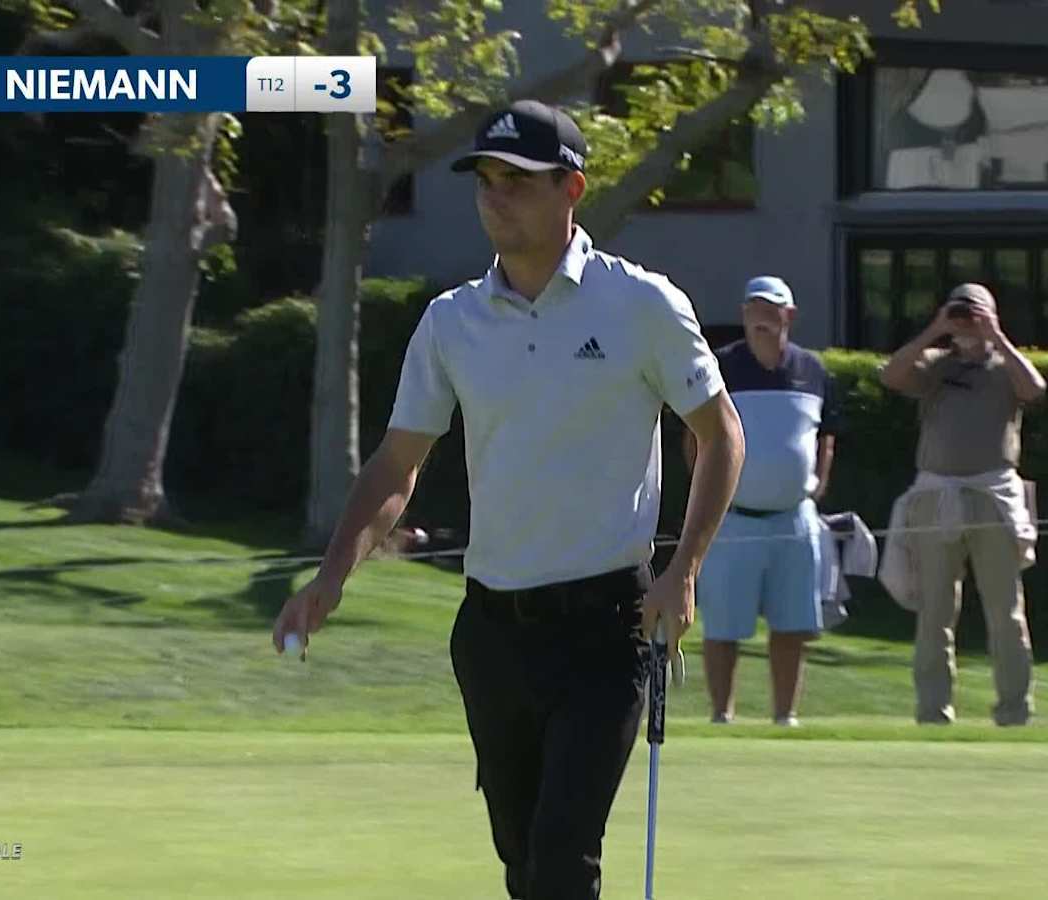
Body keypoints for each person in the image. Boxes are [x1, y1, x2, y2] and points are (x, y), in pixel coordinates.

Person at [271, 100, 745, 900]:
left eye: (518, 182)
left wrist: (684, 570)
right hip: (492, 634)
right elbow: (397, 464)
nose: (496, 197)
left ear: (572, 189)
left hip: (607, 628)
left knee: (563, 858)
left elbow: (721, 435)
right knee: (523, 862)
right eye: (486, 181)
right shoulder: (451, 322)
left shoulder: (641, 305)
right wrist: (331, 577)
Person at [877, 283, 1045, 726]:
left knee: (1005, 612)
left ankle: (1015, 709)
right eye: (961, 314)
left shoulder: (1005, 365)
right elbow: (891, 375)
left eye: (975, 314)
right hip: (938, 499)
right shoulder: (934, 365)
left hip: (993, 498)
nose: (967, 323)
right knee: (935, 611)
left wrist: (997, 336)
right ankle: (933, 710)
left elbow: (1034, 389)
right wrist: (935, 329)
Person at [684, 276, 838, 727]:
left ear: (788, 315)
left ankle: (785, 716)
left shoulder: (811, 369)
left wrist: (819, 481)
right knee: (724, 628)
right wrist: (704, 488)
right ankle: (721, 714)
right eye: (752, 308)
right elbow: (695, 433)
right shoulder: (721, 367)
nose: (759, 317)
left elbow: (826, 433)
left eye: (769, 309)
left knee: (792, 627)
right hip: (732, 519)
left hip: (795, 519)